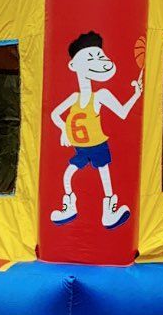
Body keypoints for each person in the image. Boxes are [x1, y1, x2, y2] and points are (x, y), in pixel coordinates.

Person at [49, 31, 143, 228]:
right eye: (90, 57)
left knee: (105, 178)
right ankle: (70, 207)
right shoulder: (74, 98)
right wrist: (64, 130)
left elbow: (123, 112)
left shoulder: (101, 95)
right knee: (67, 175)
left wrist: (136, 94)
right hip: (81, 148)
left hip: (98, 146)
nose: (98, 61)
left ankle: (110, 211)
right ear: (73, 65)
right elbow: (55, 114)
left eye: (100, 56)